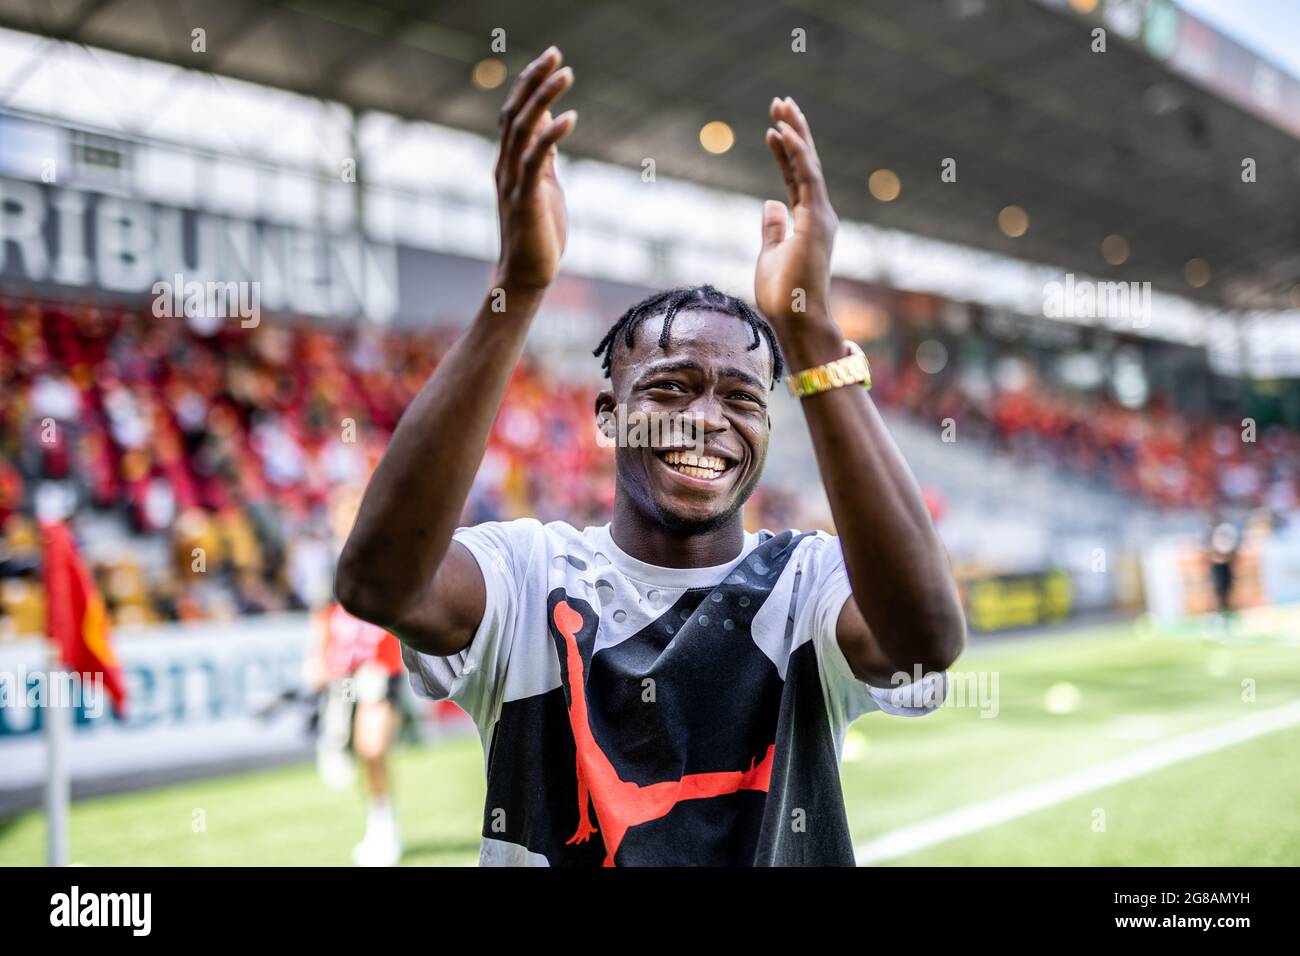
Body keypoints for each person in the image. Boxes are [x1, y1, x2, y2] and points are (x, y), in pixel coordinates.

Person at [336, 46, 965, 866]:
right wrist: (517, 287)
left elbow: (924, 641)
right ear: (609, 417)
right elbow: (376, 584)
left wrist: (810, 332)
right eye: (670, 388)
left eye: (743, 397)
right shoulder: (529, 575)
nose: (707, 420)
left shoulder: (807, 585)